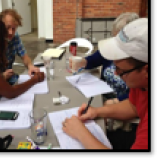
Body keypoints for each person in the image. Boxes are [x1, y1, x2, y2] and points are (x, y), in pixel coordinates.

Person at [62, 18, 148, 149]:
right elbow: (134, 106)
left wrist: (81, 133)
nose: (116, 73)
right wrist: (96, 111)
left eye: (122, 71)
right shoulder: (140, 82)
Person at [70, 12, 139, 105]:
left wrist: (116, 101)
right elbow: (94, 59)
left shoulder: (140, 58)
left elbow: (140, 94)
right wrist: (82, 62)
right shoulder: (112, 47)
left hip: (124, 105)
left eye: (119, 39)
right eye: (114, 38)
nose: (115, 43)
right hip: (100, 96)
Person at [0, 8, 40, 85]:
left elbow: (24, 56)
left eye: (13, 29)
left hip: (10, 79)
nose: (10, 32)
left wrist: (30, 66)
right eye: (7, 28)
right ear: (0, 26)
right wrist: (2, 76)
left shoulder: (15, 37)